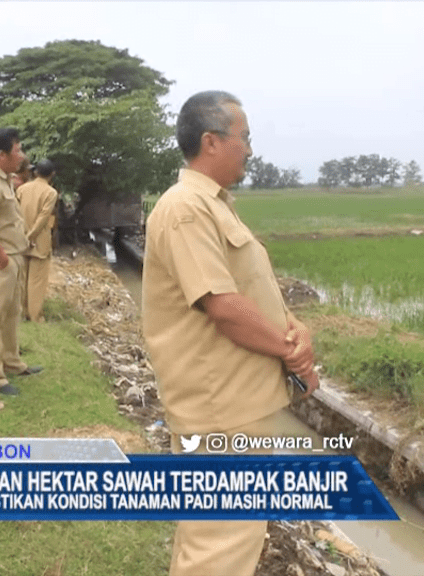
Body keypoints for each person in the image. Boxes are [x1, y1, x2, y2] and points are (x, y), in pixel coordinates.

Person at [142, 90, 320, 576]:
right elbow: (223, 307)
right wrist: (295, 355)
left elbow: (252, 291)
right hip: (221, 409)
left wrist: (294, 328)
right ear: (212, 142)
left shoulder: (215, 205)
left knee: (210, 539)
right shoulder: (185, 209)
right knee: (222, 549)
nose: (250, 148)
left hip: (236, 403)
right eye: (244, 137)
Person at [0, 128, 43, 397]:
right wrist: (0, 255)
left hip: (15, 257)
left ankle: (13, 362)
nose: (22, 155)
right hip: (1, 261)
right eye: (17, 150)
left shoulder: (5, 179)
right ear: (1, 154)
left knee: (11, 314)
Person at [17, 159, 59, 322]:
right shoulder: (50, 193)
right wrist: (31, 237)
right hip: (38, 241)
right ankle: (35, 317)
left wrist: (23, 237)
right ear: (52, 174)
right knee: (36, 281)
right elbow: (43, 218)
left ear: (35, 172)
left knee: (22, 279)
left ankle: (21, 313)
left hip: (20, 239)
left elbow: (15, 214)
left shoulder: (21, 189)